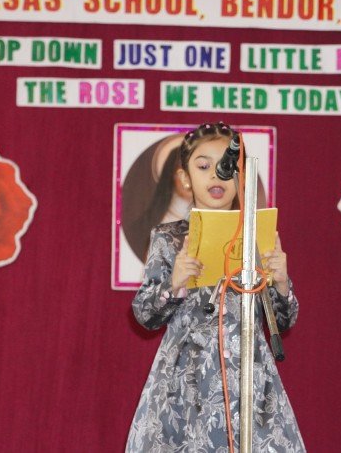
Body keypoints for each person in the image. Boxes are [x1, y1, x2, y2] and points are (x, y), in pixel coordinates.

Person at [126, 122, 305, 452]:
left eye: (225, 167)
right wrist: (175, 283)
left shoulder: (255, 235)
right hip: (186, 381)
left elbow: (282, 321)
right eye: (203, 166)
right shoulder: (169, 238)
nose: (215, 176)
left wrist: (281, 282)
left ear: (241, 178)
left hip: (248, 377)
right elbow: (145, 315)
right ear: (185, 178)